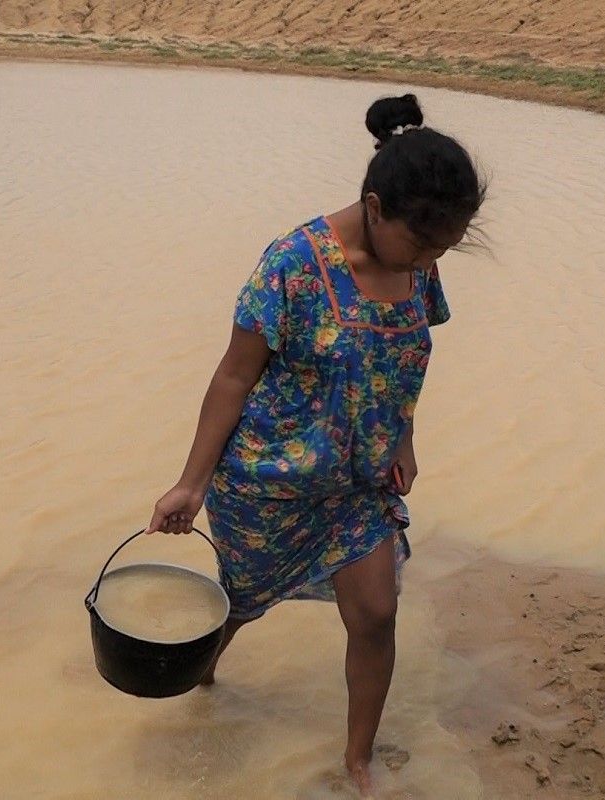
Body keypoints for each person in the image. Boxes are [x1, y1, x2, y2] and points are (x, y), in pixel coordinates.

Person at [144, 92, 486, 795]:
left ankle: (356, 760)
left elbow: (403, 356)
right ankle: (196, 685)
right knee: (239, 604)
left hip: (358, 484)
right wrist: (190, 483)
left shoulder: (421, 259)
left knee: (377, 613)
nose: (429, 259)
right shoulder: (292, 265)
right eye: (423, 245)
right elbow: (235, 376)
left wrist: (405, 437)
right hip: (269, 481)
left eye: (443, 247)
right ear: (375, 207)